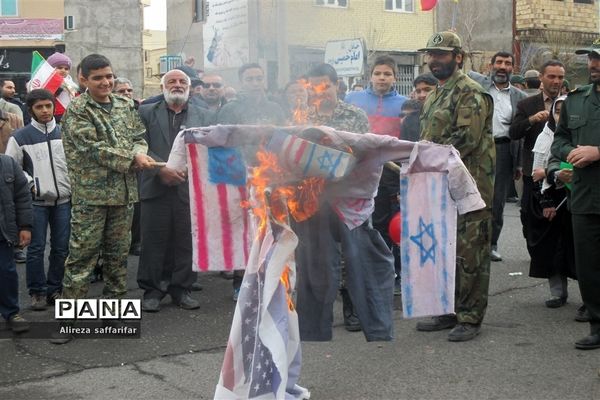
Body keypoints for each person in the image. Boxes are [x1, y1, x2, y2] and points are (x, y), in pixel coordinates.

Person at [55, 54, 154, 344]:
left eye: (109, 76)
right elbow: (94, 149)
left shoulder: (124, 105)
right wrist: (133, 156)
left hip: (124, 195)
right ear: (83, 79)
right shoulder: (77, 111)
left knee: (117, 257)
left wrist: (139, 148)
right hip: (92, 197)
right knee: (82, 258)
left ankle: (113, 315)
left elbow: (139, 135)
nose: (106, 82)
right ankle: (69, 322)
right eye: (98, 77)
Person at [298, 62, 394, 338]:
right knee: (318, 256)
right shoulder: (302, 116)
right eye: (313, 86)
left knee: (354, 253)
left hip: (349, 197)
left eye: (324, 85)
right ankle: (318, 316)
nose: (319, 91)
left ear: (336, 86)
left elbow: (363, 154)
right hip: (315, 197)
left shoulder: (354, 115)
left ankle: (353, 307)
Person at [417, 31, 495, 342]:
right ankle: (448, 310)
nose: (434, 61)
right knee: (444, 249)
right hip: (440, 185)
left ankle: (470, 317)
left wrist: (423, 155)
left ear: (457, 57)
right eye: (431, 55)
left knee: (469, 252)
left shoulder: (470, 92)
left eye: (441, 55)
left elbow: (467, 140)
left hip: (469, 187)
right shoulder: (436, 93)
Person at [137, 69, 214, 312]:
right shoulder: (145, 113)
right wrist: (162, 170)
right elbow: (137, 144)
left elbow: (210, 150)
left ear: (189, 88)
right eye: (172, 81)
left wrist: (186, 172)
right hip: (155, 184)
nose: (177, 85)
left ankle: (182, 289)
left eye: (182, 82)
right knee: (153, 240)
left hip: (190, 188)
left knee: (186, 240)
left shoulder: (205, 115)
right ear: (163, 87)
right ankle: (152, 291)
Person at [217, 63, 285, 300]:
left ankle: (269, 277)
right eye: (250, 79)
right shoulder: (230, 109)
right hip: (239, 176)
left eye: (259, 78)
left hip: (269, 175)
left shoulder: (275, 108)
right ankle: (240, 282)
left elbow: (284, 138)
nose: (255, 83)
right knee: (243, 231)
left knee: (269, 227)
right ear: (241, 82)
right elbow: (222, 141)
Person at [551, 39, 600, 350]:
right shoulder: (576, 100)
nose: (593, 65)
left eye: (598, 60)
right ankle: (597, 325)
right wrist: (572, 152)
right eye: (591, 59)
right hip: (585, 196)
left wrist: (598, 152)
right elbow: (559, 141)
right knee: (589, 265)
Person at [345, 55, 406, 295]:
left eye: (387, 74)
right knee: (366, 223)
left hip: (391, 172)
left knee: (393, 223)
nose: (382, 78)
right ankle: (369, 273)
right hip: (360, 171)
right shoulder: (353, 99)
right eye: (378, 73)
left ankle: (398, 275)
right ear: (370, 76)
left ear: (395, 77)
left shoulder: (404, 103)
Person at [5, 89, 71, 311]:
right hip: (36, 202)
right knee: (36, 248)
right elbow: (13, 167)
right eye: (39, 107)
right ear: (30, 109)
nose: (45, 111)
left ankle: (55, 288)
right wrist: (32, 185)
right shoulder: (20, 137)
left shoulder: (65, 133)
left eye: (48, 106)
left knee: (61, 248)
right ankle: (37, 292)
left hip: (64, 200)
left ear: (54, 106)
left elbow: (74, 164)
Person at [509, 60, 566, 304]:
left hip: (564, 174)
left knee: (566, 234)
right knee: (533, 226)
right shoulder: (526, 104)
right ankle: (554, 281)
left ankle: (564, 289)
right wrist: (532, 120)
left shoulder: (572, 102)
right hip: (536, 174)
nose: (556, 81)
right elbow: (513, 132)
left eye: (560, 77)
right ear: (541, 78)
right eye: (551, 76)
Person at [468, 52, 527, 262]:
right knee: (472, 196)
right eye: (499, 62)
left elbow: (520, 134)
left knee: (497, 201)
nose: (503, 67)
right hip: (476, 149)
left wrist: (519, 164)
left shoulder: (520, 98)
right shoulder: (478, 85)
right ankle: (472, 244)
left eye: (508, 63)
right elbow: (462, 71)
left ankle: (492, 244)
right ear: (490, 65)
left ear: (513, 68)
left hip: (503, 151)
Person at [528, 95, 576, 308]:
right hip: (553, 199)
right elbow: (535, 176)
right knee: (553, 249)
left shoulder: (581, 136)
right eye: (557, 111)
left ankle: (589, 299)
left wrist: (549, 172)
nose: (560, 116)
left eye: (565, 111)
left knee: (579, 250)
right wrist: (546, 202)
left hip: (577, 198)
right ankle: (558, 293)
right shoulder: (545, 137)